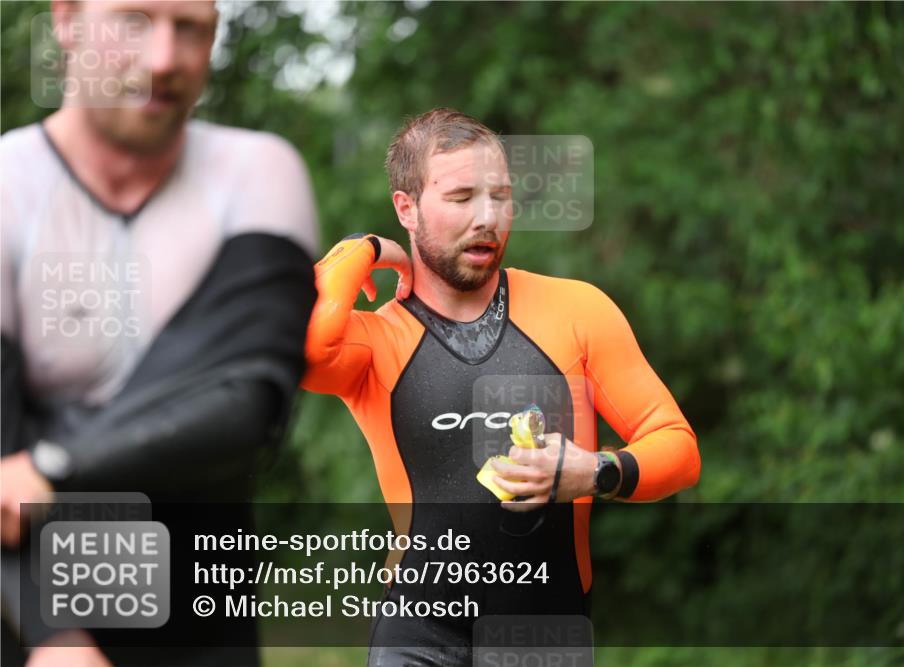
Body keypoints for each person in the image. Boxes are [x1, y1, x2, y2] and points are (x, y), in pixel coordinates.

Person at [302, 107, 700, 666]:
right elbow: (302, 348)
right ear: (406, 208)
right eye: (462, 198)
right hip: (417, 636)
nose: (487, 218)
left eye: (500, 197)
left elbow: (679, 449)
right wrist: (361, 249)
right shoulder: (376, 340)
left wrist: (595, 472)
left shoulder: (576, 310)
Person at [0, 1, 318, 665]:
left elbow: (241, 405)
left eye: (190, 27)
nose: (164, 59)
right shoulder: (9, 186)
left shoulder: (257, 172)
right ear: (66, 20)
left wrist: (51, 463)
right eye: (134, 21)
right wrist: (52, 635)